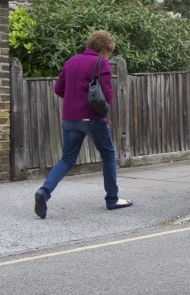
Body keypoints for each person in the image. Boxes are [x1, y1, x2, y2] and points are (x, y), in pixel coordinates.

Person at [34, 30, 133, 219]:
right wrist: (101, 112)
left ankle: (44, 192)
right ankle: (112, 199)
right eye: (108, 52)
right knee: (108, 154)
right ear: (103, 49)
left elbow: (58, 88)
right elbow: (108, 95)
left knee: (67, 158)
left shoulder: (71, 62)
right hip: (93, 118)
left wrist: (75, 103)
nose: (108, 56)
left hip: (70, 118)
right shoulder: (100, 62)